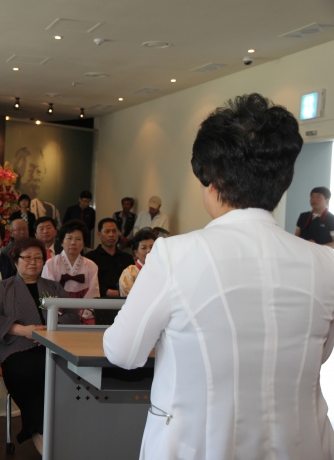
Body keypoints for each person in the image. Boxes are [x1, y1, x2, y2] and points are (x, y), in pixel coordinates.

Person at [103, 93, 334, 459]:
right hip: (302, 444)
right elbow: (320, 352)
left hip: (198, 444)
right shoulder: (325, 262)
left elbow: (123, 352)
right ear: (283, 180)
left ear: (212, 179)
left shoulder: (174, 254)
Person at [0, 237, 79, 454]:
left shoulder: (53, 287)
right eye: (27, 257)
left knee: (64, 372)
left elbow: (73, 315)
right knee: (30, 370)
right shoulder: (3, 287)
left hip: (53, 346)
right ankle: (41, 431)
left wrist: (49, 330)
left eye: (38, 258)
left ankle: (56, 430)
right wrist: (24, 331)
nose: (33, 262)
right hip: (16, 347)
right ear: (15, 261)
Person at [42, 219, 99, 324]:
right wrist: (63, 315)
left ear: (84, 243)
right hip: (58, 315)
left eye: (78, 239)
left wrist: (81, 315)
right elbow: (47, 292)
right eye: (69, 238)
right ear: (61, 241)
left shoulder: (91, 266)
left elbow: (93, 293)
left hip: (84, 315)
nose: (73, 243)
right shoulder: (50, 264)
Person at [13, 147, 62, 227]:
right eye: (31, 170)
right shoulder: (10, 207)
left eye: (39, 171)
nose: (37, 177)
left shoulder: (50, 209)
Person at [85, 218, 135, 298]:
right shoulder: (89, 258)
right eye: (107, 231)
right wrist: (107, 291)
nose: (111, 235)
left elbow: (133, 280)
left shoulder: (127, 258)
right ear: (99, 234)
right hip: (98, 299)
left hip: (124, 299)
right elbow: (88, 281)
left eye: (114, 231)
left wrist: (121, 292)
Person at [118, 230, 156, 298]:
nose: (149, 251)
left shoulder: (163, 270)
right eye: (144, 248)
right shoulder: (129, 273)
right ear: (136, 252)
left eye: (152, 247)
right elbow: (128, 299)